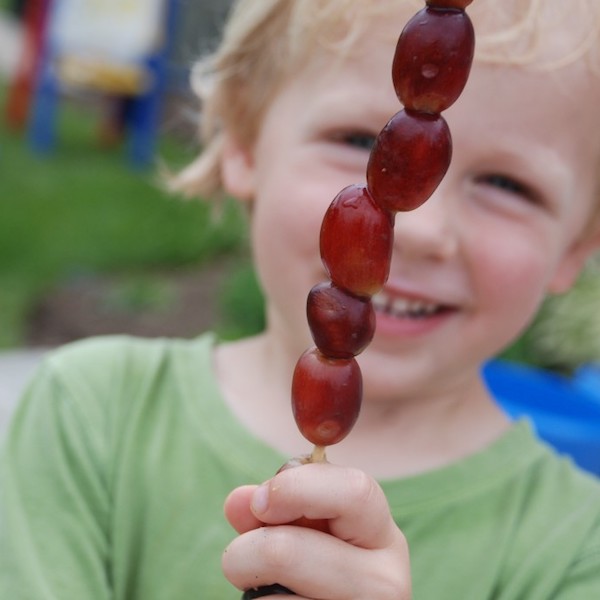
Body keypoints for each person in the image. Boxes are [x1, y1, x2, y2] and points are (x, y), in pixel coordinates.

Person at [2, 0, 600, 597]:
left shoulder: (578, 549)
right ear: (242, 143)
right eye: (362, 141)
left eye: (507, 184)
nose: (417, 226)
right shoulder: (89, 418)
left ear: (579, 244)